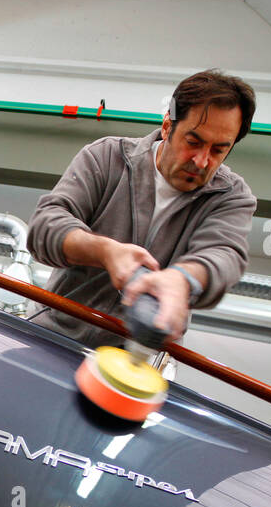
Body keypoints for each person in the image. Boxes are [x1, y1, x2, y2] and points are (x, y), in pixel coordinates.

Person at [27, 69, 257, 348]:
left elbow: (224, 255)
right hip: (54, 337)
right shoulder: (106, 158)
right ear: (168, 126)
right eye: (193, 142)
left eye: (218, 150)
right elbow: (45, 225)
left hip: (137, 363)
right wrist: (105, 252)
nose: (201, 161)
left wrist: (182, 279)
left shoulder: (231, 196)